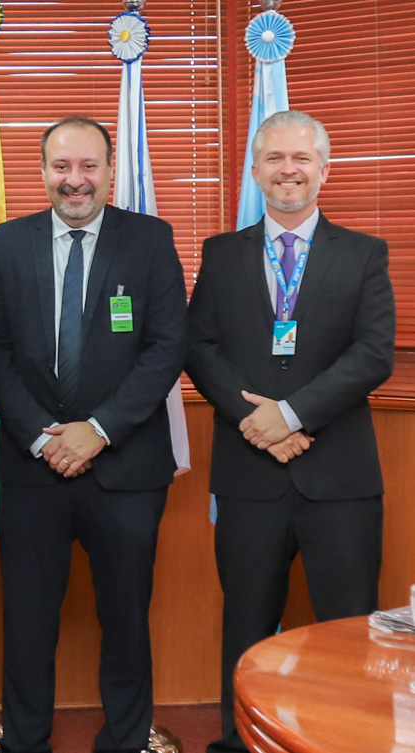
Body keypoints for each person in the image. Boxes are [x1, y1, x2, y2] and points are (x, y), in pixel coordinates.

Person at [186, 109, 395, 753]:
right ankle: (239, 742)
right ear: (255, 170)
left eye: (301, 159)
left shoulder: (363, 254)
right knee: (246, 627)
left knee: (349, 635)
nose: (288, 171)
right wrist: (261, 424)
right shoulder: (221, 254)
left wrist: (293, 414)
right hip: (250, 479)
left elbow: (373, 353)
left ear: (324, 169)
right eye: (274, 159)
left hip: (340, 480)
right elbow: (198, 346)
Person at [0, 116, 187, 753]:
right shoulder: (5, 243)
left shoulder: (150, 239)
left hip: (125, 470)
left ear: (109, 171)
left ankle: (126, 741)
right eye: (61, 167)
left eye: (88, 167)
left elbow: (166, 347)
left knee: (125, 623)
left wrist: (97, 430)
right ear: (42, 172)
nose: (75, 181)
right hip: (32, 468)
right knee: (29, 627)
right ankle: (25, 744)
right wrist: (45, 438)